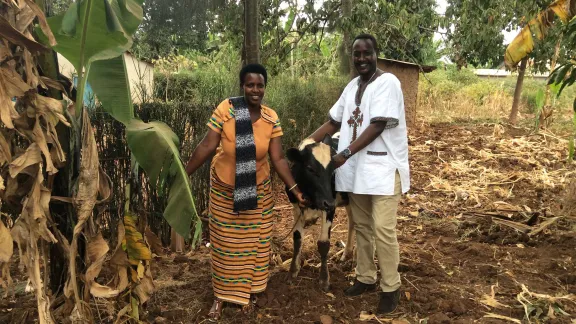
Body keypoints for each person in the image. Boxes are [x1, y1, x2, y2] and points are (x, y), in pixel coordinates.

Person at [185, 63, 307, 322]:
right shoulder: (226, 109)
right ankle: (220, 297)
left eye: (260, 85)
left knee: (252, 247)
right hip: (223, 190)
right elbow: (207, 146)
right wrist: (185, 173)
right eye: (250, 84)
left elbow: (278, 158)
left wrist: (294, 188)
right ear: (242, 86)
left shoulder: (271, 118)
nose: (255, 89)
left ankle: (245, 296)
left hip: (257, 192)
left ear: (265, 88)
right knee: (225, 247)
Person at [308, 33, 410, 315]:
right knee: (362, 226)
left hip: (384, 169)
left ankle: (391, 287)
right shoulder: (352, 86)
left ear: (376, 53)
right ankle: (366, 277)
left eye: (367, 53)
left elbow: (377, 125)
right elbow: (333, 122)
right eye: (356, 54)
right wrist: (305, 145)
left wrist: (344, 154)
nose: (361, 58)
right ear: (351, 57)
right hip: (358, 173)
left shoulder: (388, 83)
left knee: (383, 229)